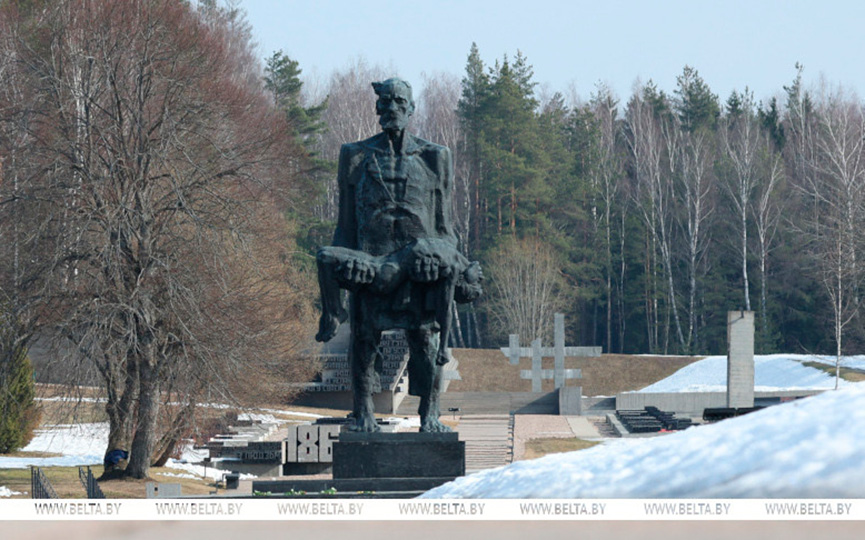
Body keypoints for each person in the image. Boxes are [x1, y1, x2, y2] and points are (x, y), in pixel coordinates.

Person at [315, 78, 481, 432]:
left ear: (411, 108)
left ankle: (430, 415)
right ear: (377, 108)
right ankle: (363, 412)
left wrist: (444, 260)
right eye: (386, 102)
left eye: (399, 102)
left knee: (426, 341)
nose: (392, 108)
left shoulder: (435, 157)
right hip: (371, 264)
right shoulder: (355, 155)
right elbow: (345, 224)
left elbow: (445, 227)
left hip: (419, 270)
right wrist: (345, 269)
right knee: (363, 338)